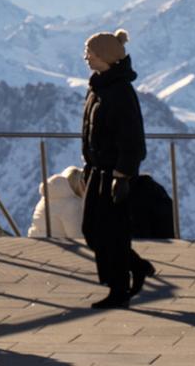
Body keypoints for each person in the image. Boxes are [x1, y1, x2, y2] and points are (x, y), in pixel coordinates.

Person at [80, 29, 153, 309]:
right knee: (92, 230)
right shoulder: (99, 86)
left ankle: (119, 288)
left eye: (91, 53)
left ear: (106, 56)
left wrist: (122, 175)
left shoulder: (119, 91)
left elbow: (132, 138)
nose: (87, 58)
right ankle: (136, 266)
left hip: (114, 173)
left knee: (111, 232)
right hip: (97, 170)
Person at [28, 166, 87, 240]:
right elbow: (78, 237)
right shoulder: (72, 205)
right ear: (80, 185)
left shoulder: (46, 199)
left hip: (35, 242)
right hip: (56, 248)